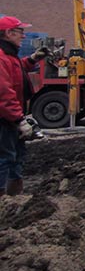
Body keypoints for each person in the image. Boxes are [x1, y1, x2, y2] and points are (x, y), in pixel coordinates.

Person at [0, 16, 50, 196]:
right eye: (20, 31)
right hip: (5, 120)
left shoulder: (9, 55)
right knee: (5, 158)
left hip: (10, 119)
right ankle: (4, 201)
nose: (23, 35)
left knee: (16, 157)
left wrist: (33, 59)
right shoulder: (2, 57)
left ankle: (14, 195)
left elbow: (16, 70)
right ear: (8, 33)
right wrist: (19, 119)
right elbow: (3, 94)